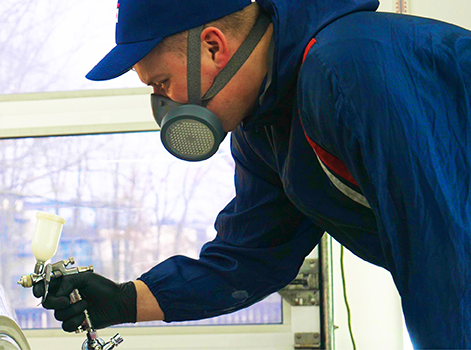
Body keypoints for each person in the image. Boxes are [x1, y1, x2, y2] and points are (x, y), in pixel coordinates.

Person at [32, 0, 471, 347]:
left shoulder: (347, 66)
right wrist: (126, 300)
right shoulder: (266, 126)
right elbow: (252, 258)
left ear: (213, 46)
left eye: (161, 84)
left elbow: (441, 247)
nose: (162, 107)